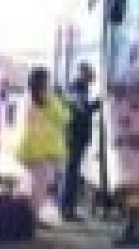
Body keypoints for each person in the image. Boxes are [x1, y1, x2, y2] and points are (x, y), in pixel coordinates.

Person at [16, 66, 70, 226]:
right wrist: (61, 101)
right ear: (44, 81)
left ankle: (25, 218)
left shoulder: (26, 97)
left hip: (26, 148)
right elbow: (64, 118)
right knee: (39, 189)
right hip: (44, 151)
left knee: (27, 187)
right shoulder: (48, 98)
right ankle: (30, 220)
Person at [60, 62, 101, 222]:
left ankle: (67, 208)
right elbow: (82, 111)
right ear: (83, 74)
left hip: (77, 136)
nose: (92, 78)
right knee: (71, 173)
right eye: (90, 75)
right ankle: (67, 210)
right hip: (74, 136)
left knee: (72, 172)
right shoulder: (75, 89)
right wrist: (97, 104)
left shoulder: (79, 89)